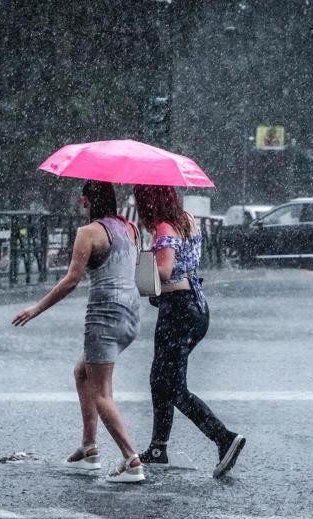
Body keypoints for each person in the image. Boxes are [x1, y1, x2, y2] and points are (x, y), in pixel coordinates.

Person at [12, 180, 144, 483]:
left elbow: (71, 280)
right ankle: (88, 449)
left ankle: (131, 459)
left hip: (104, 316)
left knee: (101, 393)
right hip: (131, 315)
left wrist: (35, 309)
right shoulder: (131, 229)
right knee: (82, 373)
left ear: (86, 201)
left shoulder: (88, 233)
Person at [133, 184, 246, 478]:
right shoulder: (187, 219)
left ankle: (223, 438)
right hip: (196, 308)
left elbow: (165, 271)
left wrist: (140, 263)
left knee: (173, 386)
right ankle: (158, 448)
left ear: (148, 201)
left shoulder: (164, 227)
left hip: (178, 311)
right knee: (160, 378)